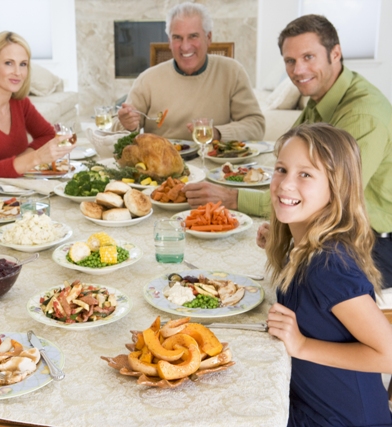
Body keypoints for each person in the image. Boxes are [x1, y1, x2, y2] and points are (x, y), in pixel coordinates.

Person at [186, 14, 392, 287]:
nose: (298, 71)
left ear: (336, 54)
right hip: (338, 227)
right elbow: (289, 159)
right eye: (290, 61)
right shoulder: (320, 99)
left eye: (308, 57)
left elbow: (335, 196)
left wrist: (234, 198)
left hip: (374, 242)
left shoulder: (363, 114)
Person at [265, 123, 392, 426]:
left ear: (336, 189)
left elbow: (388, 354)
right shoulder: (306, 246)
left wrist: (302, 345)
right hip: (312, 405)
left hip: (338, 419)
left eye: (305, 174)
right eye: (281, 169)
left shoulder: (328, 265)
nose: (285, 184)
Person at [114, 2, 265, 142]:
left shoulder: (232, 72)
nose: (185, 47)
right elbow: (116, 129)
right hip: (161, 166)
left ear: (209, 38)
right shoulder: (147, 79)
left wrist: (217, 133)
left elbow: (256, 125)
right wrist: (128, 125)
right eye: (177, 38)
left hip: (213, 163)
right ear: (169, 42)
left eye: (193, 36)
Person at [0, 31, 74, 184]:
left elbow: (48, 135)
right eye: (9, 63)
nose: (17, 72)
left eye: (23, 64)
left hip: (13, 190)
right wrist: (33, 158)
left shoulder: (19, 103)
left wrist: (23, 160)